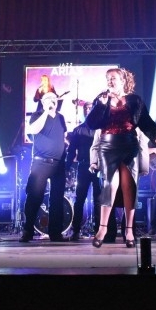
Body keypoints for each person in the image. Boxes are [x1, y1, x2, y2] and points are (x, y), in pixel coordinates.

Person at [85, 68, 156, 248]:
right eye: (108, 78)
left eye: (113, 78)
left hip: (129, 145)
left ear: (122, 81)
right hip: (108, 146)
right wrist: (100, 106)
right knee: (109, 185)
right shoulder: (101, 99)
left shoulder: (134, 100)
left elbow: (145, 121)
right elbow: (91, 124)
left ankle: (129, 231)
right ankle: (102, 229)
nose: (110, 81)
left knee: (129, 186)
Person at [18, 91, 69, 243]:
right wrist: (46, 112)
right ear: (42, 102)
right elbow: (33, 130)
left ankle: (55, 233)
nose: (52, 100)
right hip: (41, 163)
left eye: (54, 98)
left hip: (58, 163)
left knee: (57, 198)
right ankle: (28, 231)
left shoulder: (61, 117)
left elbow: (62, 137)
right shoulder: (37, 115)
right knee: (35, 196)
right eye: (48, 98)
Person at [65, 103, 102, 241]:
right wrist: (66, 167)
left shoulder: (101, 128)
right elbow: (71, 151)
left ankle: (99, 231)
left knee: (99, 200)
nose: (88, 111)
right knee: (80, 199)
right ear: (83, 112)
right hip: (84, 166)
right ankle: (76, 230)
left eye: (90, 108)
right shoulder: (78, 130)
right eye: (86, 109)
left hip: (99, 167)